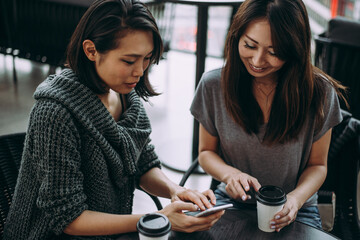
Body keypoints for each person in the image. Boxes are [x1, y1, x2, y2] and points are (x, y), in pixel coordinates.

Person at [3, 0, 223, 239]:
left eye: (147, 58)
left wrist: (176, 191)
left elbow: (142, 164)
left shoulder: (127, 96)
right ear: (91, 50)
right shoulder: (55, 114)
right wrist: (157, 218)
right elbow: (68, 218)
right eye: (129, 61)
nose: (140, 71)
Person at [190, 0, 347, 232]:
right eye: (250, 45)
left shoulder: (320, 93)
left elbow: (318, 165)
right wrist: (230, 175)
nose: (257, 61)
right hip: (233, 202)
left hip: (297, 208)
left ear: (295, 50)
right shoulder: (213, 85)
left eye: (274, 52)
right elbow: (205, 152)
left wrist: (295, 199)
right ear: (236, 37)